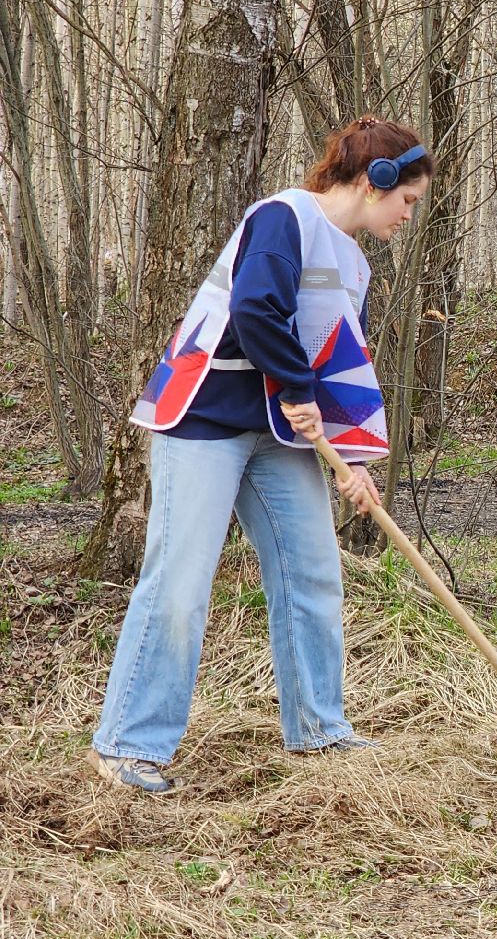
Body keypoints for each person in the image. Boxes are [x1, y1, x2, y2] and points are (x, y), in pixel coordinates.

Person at [89, 117, 434, 794]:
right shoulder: (284, 218)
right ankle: (127, 746)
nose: (406, 216)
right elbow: (255, 310)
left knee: (311, 571)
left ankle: (319, 729)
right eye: (407, 201)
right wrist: (297, 387)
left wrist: (356, 462)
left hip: (280, 433)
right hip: (206, 417)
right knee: (181, 584)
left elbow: (342, 370)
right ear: (375, 181)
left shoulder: (355, 264)